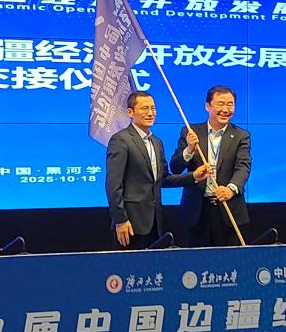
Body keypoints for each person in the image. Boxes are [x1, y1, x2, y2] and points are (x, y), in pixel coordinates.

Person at [106, 91, 209, 250]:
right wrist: (120, 220)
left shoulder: (157, 142)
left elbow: (163, 179)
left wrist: (193, 176)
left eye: (153, 108)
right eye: (144, 108)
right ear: (130, 112)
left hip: (155, 222)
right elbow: (113, 185)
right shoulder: (121, 140)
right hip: (130, 223)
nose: (150, 113)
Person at [170, 85, 251, 247]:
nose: (226, 109)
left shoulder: (241, 135)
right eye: (220, 104)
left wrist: (231, 189)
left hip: (228, 210)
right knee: (197, 260)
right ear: (208, 106)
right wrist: (189, 149)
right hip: (197, 211)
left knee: (230, 260)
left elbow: (243, 166)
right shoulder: (191, 132)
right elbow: (175, 168)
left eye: (230, 104)